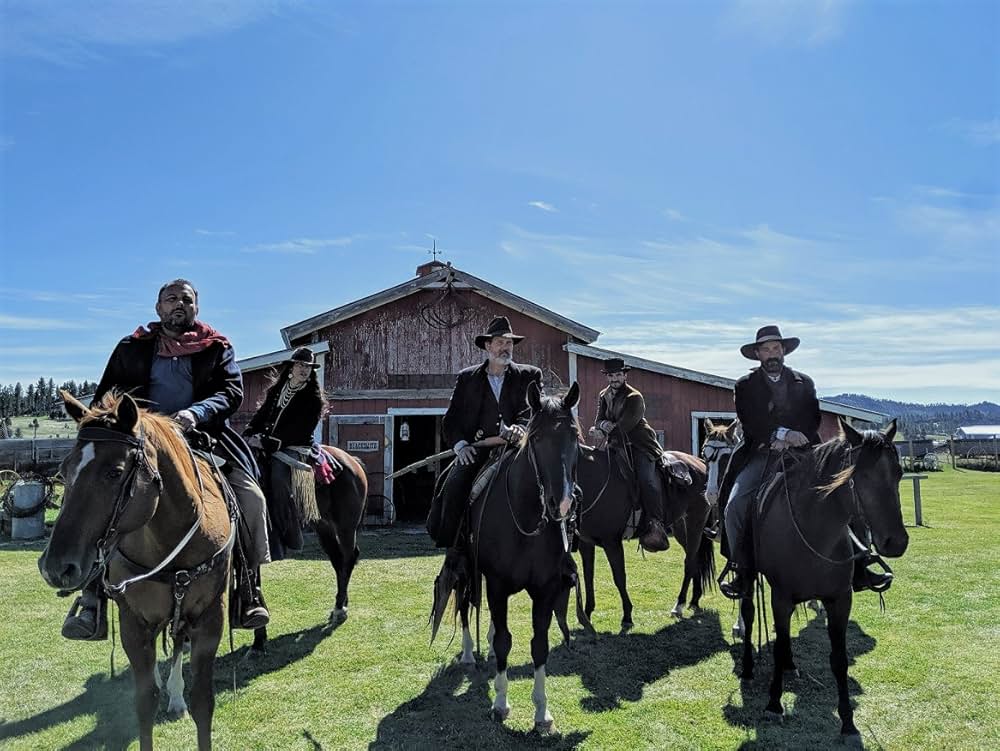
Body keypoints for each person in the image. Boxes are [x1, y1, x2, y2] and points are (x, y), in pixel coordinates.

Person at [61, 279, 270, 640]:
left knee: (251, 499)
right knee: (96, 496)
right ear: (158, 308)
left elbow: (231, 391)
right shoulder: (132, 346)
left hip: (201, 439)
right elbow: (107, 395)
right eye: (171, 299)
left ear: (196, 308)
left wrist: (195, 413)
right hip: (137, 442)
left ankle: (249, 589)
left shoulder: (217, 347)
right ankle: (92, 598)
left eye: (186, 299)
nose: (179, 304)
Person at [719, 325, 893, 599]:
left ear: (784, 351)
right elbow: (750, 420)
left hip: (803, 452)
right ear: (758, 354)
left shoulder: (805, 382)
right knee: (734, 505)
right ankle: (741, 569)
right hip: (761, 452)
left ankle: (861, 563)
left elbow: (812, 417)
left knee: (844, 492)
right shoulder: (745, 385)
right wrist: (779, 434)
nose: (772, 353)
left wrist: (794, 436)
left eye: (776, 348)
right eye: (766, 349)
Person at [426, 316, 543, 548]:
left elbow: (534, 409)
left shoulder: (530, 375)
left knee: (557, 478)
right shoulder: (467, 378)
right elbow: (451, 420)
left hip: (519, 448)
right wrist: (461, 446)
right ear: (488, 346)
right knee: (453, 484)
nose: (505, 348)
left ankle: (562, 540)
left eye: (509, 343)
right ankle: (454, 548)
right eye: (500, 342)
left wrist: (521, 427)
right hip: (478, 449)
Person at [244, 346, 332, 556]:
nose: (304, 369)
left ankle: (289, 534)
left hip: (294, 447)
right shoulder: (277, 390)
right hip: (265, 441)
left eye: (308, 367)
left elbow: (300, 431)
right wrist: (249, 432)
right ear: (291, 367)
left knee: (278, 479)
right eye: (300, 365)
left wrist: (267, 442)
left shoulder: (313, 398)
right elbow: (262, 414)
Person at [591, 357, 670, 552]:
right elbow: (599, 419)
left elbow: (624, 426)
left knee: (646, 480)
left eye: (618, 375)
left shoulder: (634, 397)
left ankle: (656, 523)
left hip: (640, 445)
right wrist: (603, 425)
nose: (614, 379)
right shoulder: (604, 395)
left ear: (625, 375)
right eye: (611, 375)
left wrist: (603, 429)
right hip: (616, 445)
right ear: (607, 377)